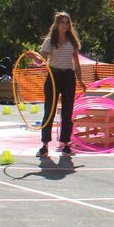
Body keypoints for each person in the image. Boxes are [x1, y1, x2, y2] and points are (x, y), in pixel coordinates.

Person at [37, 12, 85, 158]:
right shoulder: (50, 41)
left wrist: (80, 80)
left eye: (67, 22)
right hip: (53, 76)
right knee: (49, 111)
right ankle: (44, 145)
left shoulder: (72, 41)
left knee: (67, 113)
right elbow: (41, 60)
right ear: (56, 24)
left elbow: (76, 63)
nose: (65, 25)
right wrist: (32, 56)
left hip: (68, 77)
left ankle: (65, 144)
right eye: (62, 22)